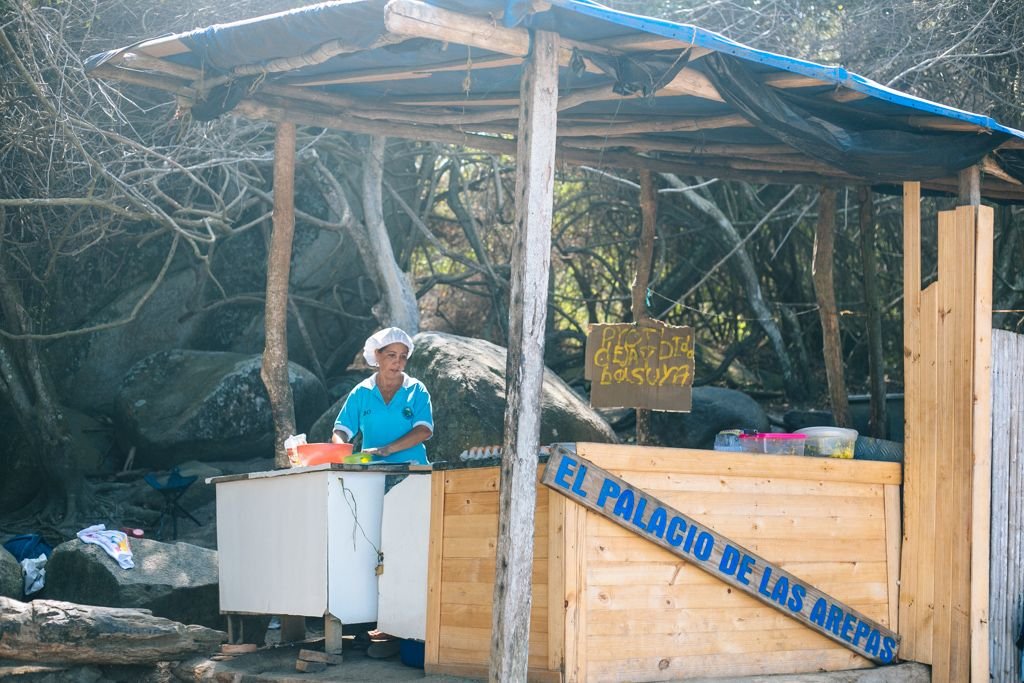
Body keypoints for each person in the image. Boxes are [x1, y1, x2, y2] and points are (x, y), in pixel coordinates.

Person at [330, 327, 434, 465]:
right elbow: (341, 430)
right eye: (391, 355)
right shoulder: (361, 392)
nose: (398, 362)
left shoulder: (416, 390)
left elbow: (424, 430)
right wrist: (340, 450)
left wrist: (388, 449)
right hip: (372, 472)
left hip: (414, 469)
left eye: (403, 356)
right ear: (377, 355)